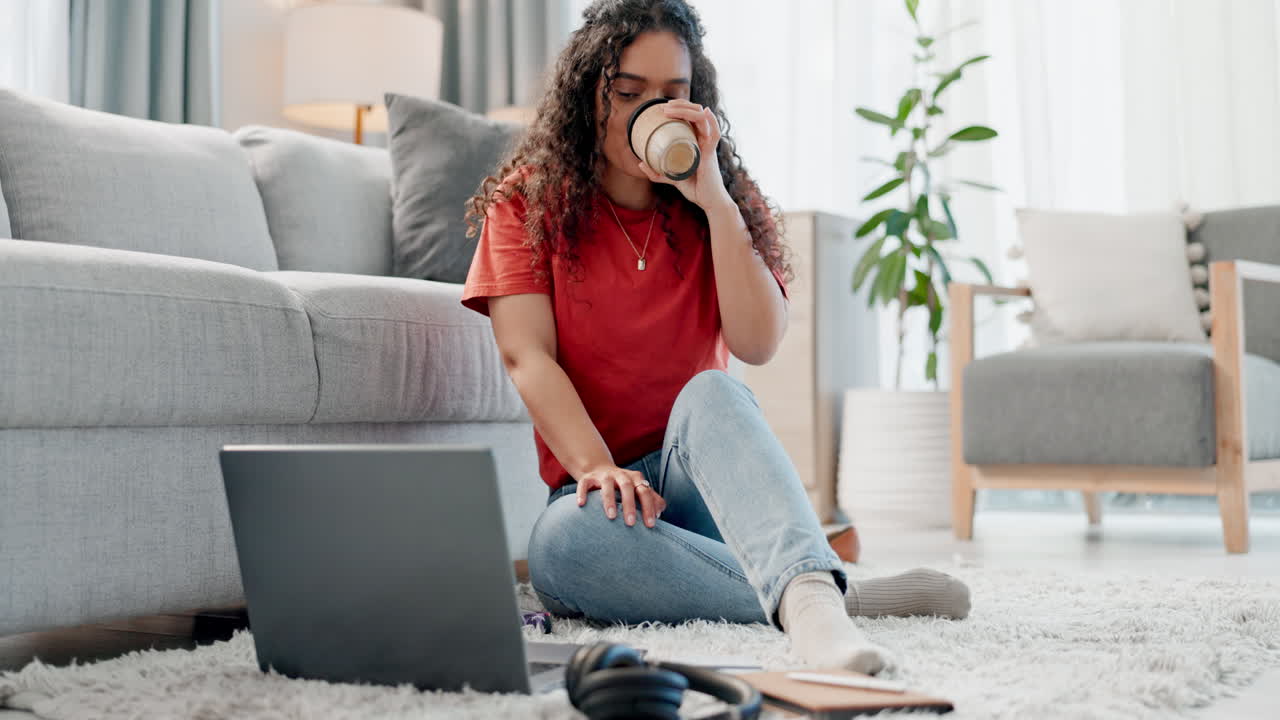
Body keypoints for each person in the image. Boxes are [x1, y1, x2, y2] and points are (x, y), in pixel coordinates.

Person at [460, 0, 969, 674]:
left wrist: (716, 203)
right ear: (589, 98)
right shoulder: (527, 202)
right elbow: (527, 355)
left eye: (672, 94)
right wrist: (597, 467)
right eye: (628, 93)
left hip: (703, 482)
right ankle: (833, 593)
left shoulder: (720, 197)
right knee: (561, 547)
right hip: (603, 502)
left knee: (714, 391)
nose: (651, 112)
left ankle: (814, 613)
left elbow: (757, 342)